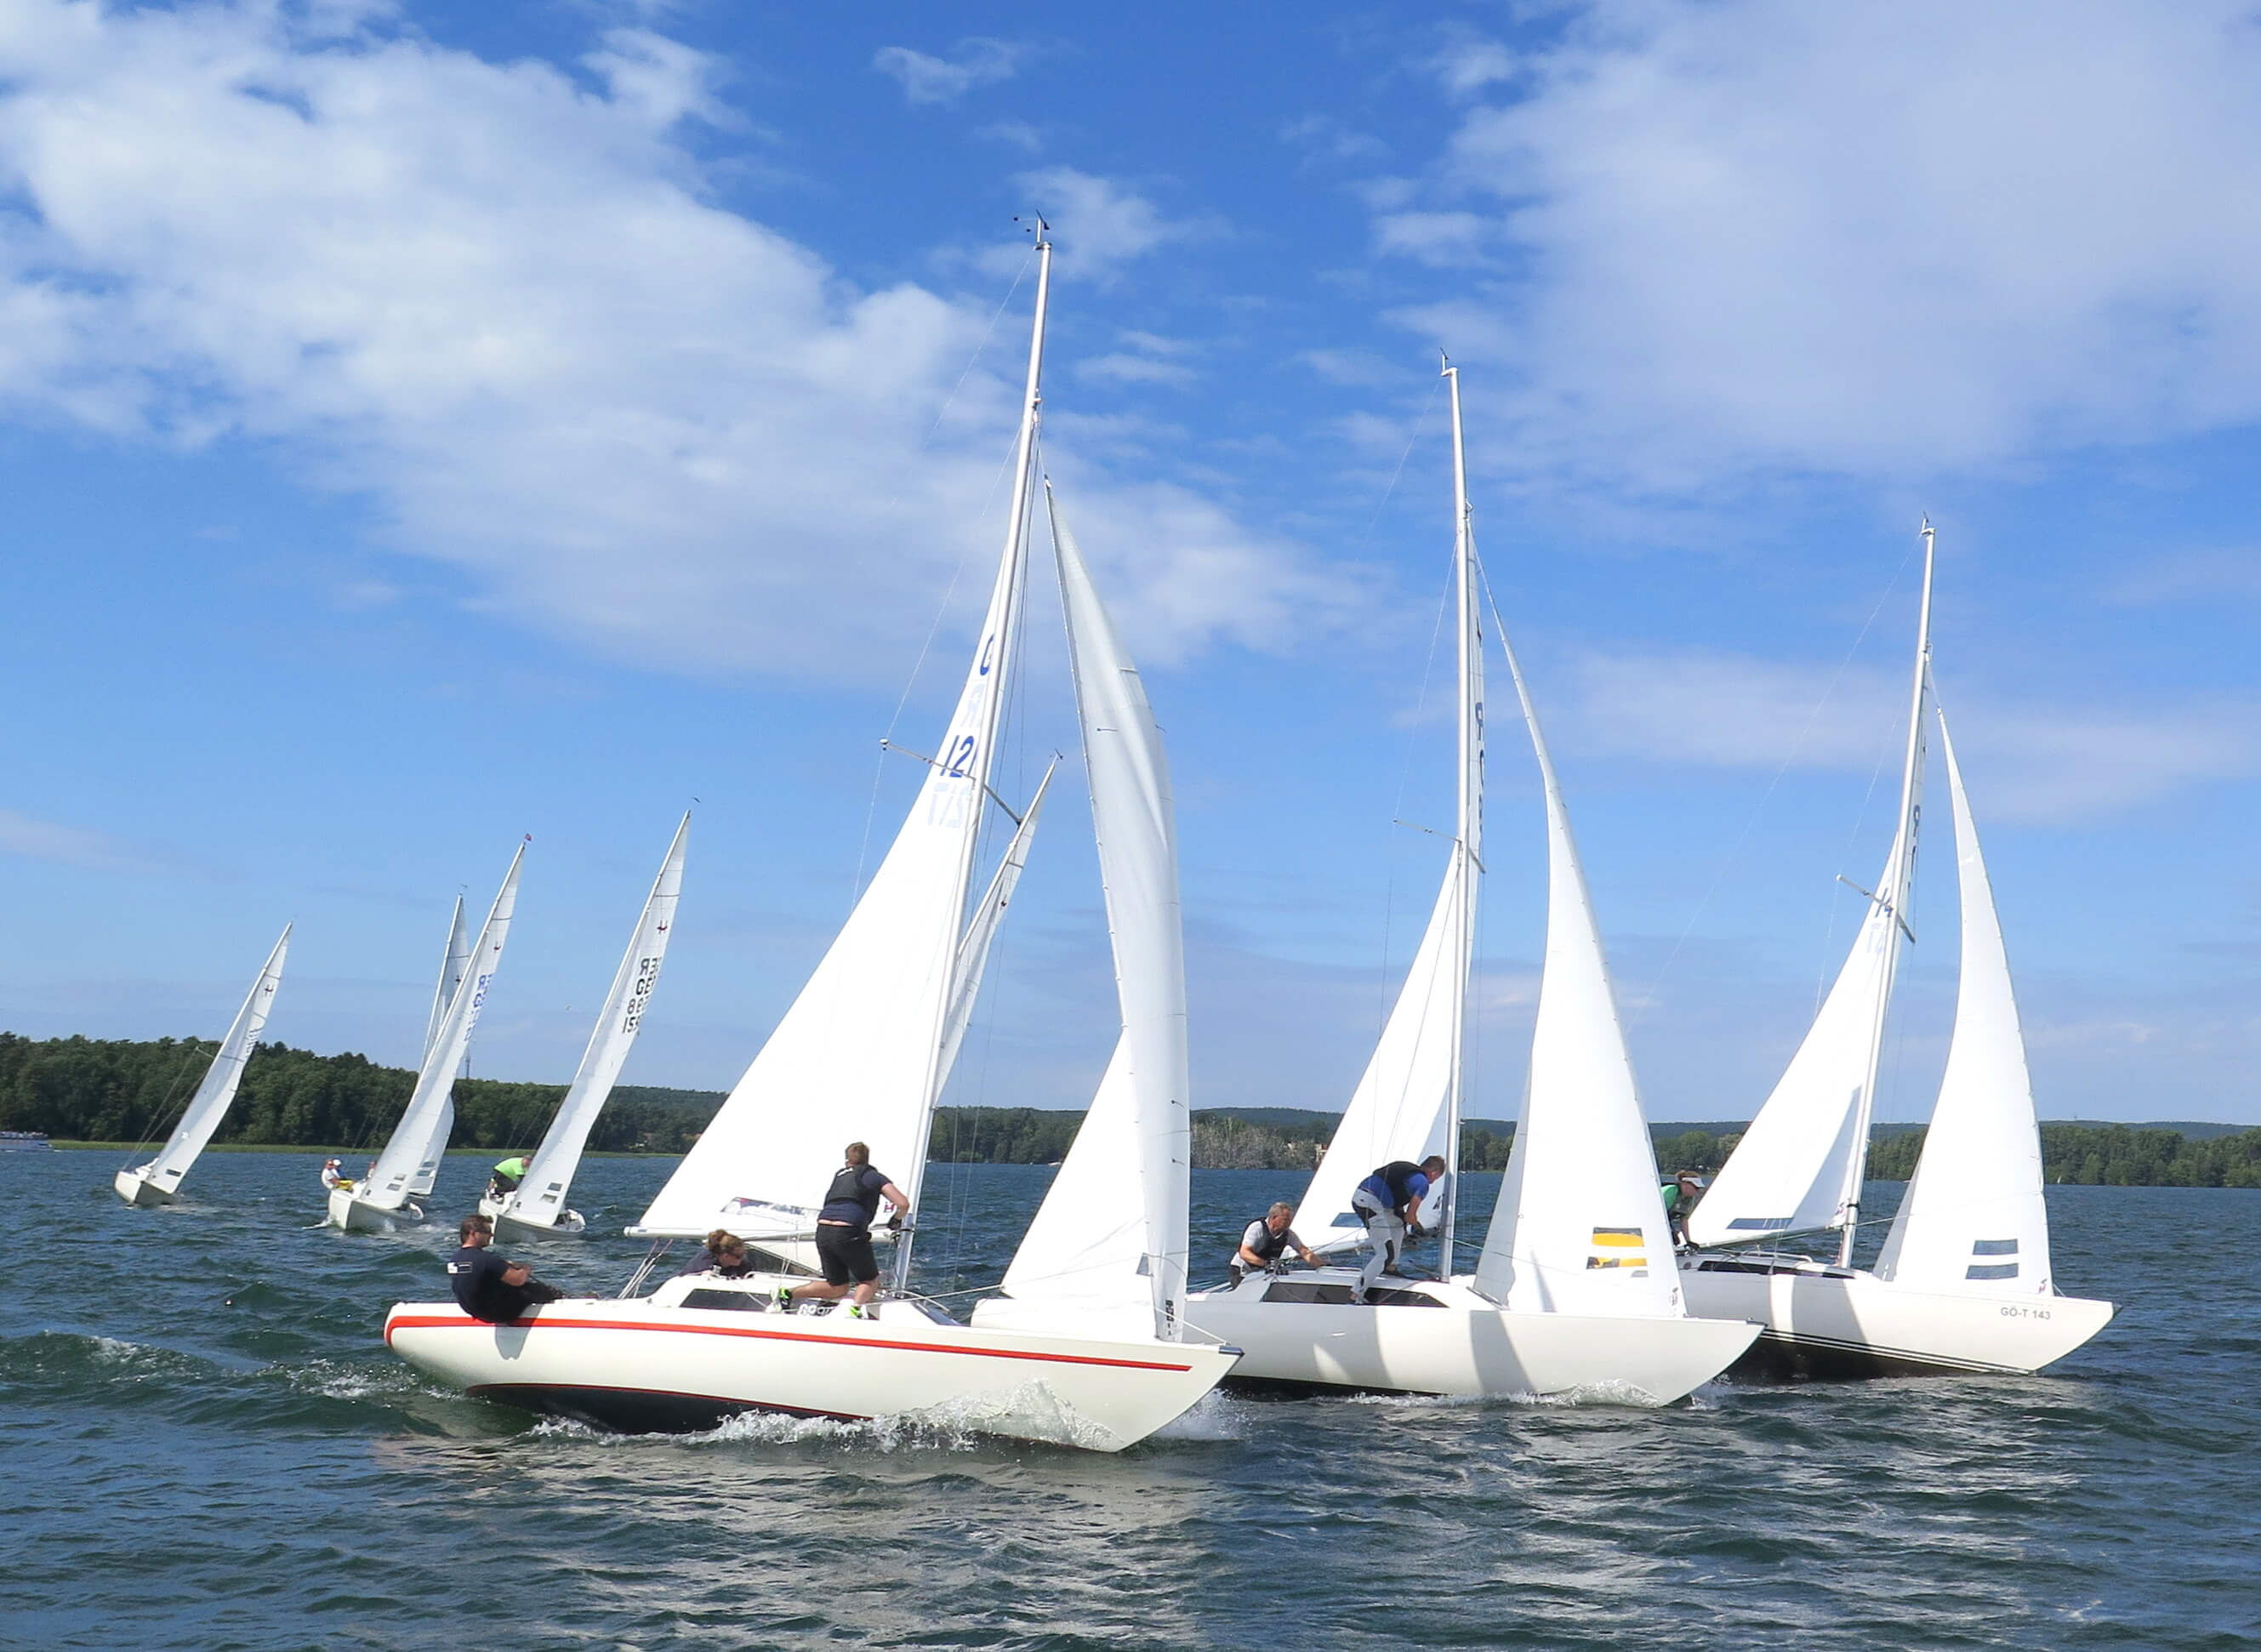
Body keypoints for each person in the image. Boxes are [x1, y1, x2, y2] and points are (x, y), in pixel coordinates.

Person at [780, 1142, 908, 1317]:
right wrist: (896, 1220)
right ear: (866, 1159)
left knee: (837, 1286)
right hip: (848, 1233)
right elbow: (903, 1203)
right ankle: (855, 1310)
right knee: (870, 1279)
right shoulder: (874, 1177)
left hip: (823, 1231)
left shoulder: (839, 1175)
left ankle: (788, 1294)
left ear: (848, 1161)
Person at [1350, 1155, 1447, 1303]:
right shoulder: (1423, 1183)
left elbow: (1400, 1208)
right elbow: (1411, 1216)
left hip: (1367, 1198)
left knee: (1398, 1225)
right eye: (1436, 1178)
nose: (1433, 1181)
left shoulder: (1410, 1173)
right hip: (1370, 1203)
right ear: (1434, 1173)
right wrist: (1419, 1229)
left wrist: (1404, 1221)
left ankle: (1390, 1269)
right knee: (1384, 1254)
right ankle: (1356, 1294)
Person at [447, 1214, 564, 1324]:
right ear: (473, 1233)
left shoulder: (455, 1259)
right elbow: (517, 1280)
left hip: (474, 1311)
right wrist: (525, 1269)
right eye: (487, 1232)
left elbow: (476, 1273)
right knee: (533, 1288)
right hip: (499, 1313)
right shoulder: (485, 1259)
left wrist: (504, 1265)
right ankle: (561, 1305)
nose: (491, 1235)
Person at [1233, 1201, 1319, 1283]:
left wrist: (1322, 1265)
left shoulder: (1288, 1234)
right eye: (1285, 1220)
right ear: (1274, 1218)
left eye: (1290, 1220)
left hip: (1262, 1272)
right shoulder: (1257, 1228)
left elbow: (1304, 1251)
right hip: (1242, 1271)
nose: (1289, 1223)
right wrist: (1266, 1264)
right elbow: (1244, 1252)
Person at [677, 1229, 756, 1279]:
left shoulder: (743, 1264)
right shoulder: (703, 1264)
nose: (742, 1258)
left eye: (744, 1253)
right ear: (726, 1256)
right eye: (739, 1256)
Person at [1662, 1171, 1704, 1248]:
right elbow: (1658, 1215)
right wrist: (1670, 1232)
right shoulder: (1670, 1191)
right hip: (1653, 1220)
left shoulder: (1689, 1199)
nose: (1697, 1191)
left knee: (1674, 1241)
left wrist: (1688, 1241)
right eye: (1696, 1188)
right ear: (1685, 1184)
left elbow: (1684, 1219)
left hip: (1665, 1222)